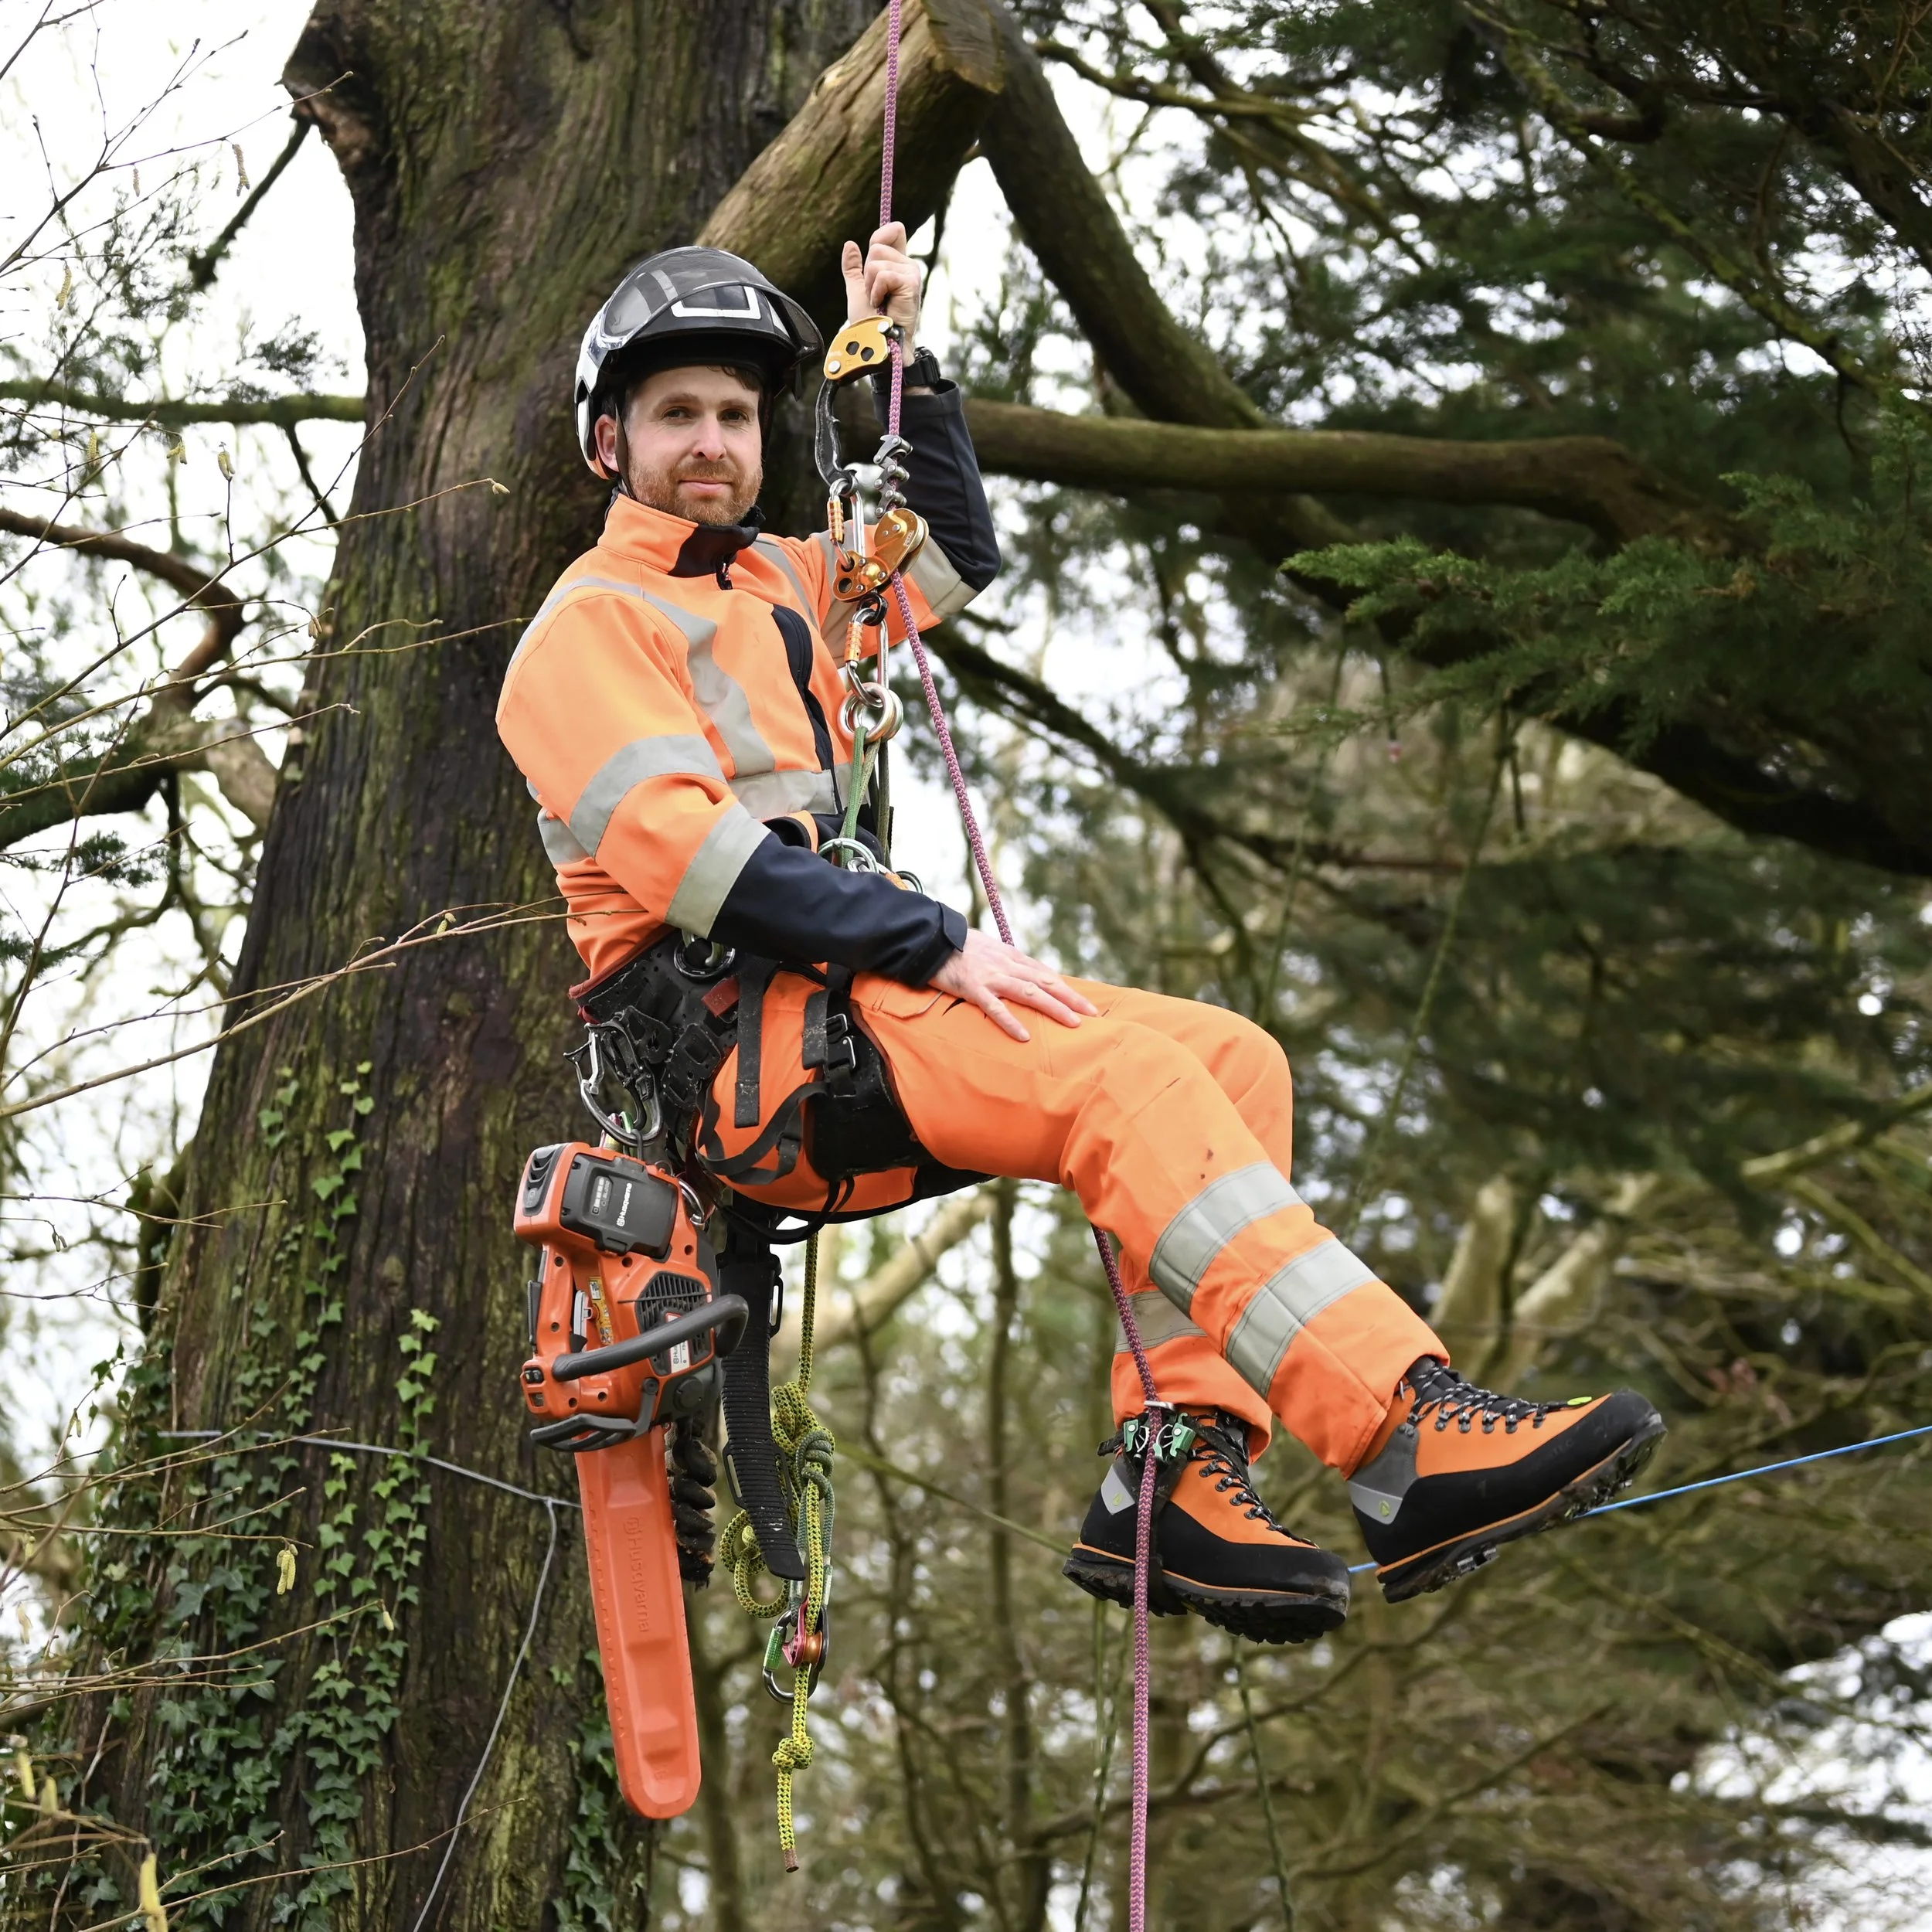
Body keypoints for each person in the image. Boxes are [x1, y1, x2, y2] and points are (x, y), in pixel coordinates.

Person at [495, 231, 1665, 1642]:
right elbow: (708, 867)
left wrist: (902, 368)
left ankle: (1175, 1474)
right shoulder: (587, 628)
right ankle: (1405, 1437)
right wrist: (934, 942)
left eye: (737, 415)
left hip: (846, 1009)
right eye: (678, 414)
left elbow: (953, 555)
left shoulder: (788, 590)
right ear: (608, 440)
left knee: (1231, 1061)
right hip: (750, 1053)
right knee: (1123, 1084)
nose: (714, 444)